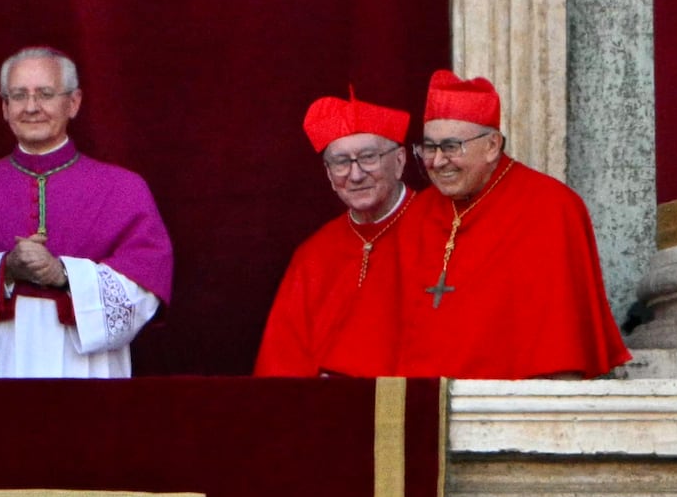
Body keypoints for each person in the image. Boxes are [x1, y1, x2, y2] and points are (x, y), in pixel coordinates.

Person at [0, 46, 172, 379]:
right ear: (4, 107)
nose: (31, 107)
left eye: (45, 94)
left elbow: (144, 286)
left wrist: (62, 274)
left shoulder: (124, 189)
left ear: (73, 103)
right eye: (18, 96)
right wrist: (5, 271)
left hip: (88, 370)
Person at [396, 73, 631, 379]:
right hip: (427, 403)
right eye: (428, 148)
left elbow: (560, 342)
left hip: (516, 405)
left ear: (492, 145)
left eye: (451, 147)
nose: (438, 161)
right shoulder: (415, 215)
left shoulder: (551, 207)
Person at [255, 95, 440, 378]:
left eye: (368, 157)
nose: (355, 175)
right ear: (329, 174)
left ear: (400, 161)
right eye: (341, 162)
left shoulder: (440, 230)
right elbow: (281, 366)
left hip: (401, 401)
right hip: (325, 411)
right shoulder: (313, 254)